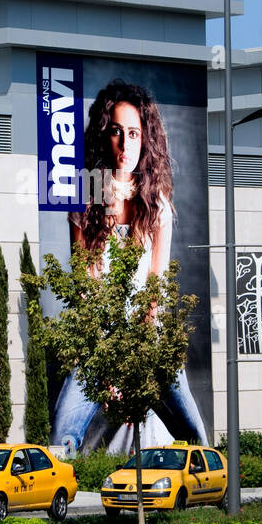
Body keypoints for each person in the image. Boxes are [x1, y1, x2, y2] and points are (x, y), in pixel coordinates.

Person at [50, 80, 209, 454]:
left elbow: (155, 289)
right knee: (61, 441)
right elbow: (86, 290)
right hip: (98, 345)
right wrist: (107, 367)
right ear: (105, 137)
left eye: (134, 133)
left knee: (196, 439)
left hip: (148, 340)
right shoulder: (85, 204)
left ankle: (215, 498)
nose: (125, 144)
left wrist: (135, 359)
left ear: (146, 138)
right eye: (117, 132)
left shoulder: (157, 205)